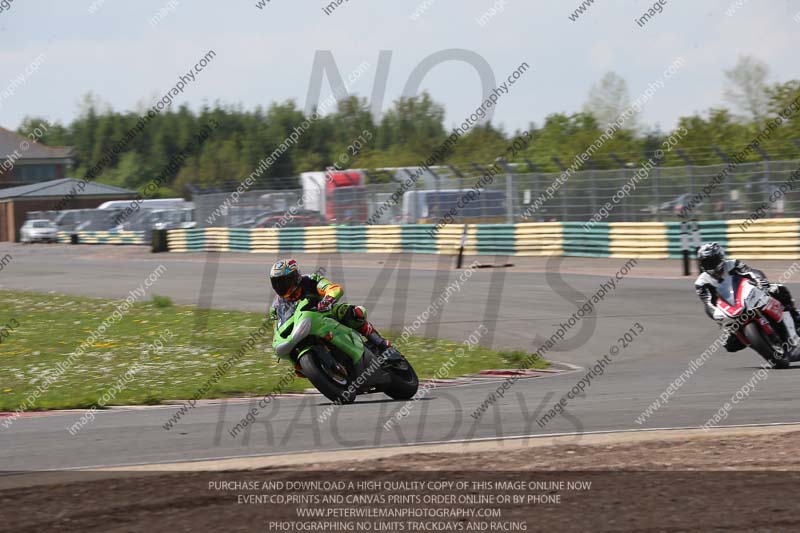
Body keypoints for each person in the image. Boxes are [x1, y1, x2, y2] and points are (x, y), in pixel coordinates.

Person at [268, 259, 400, 372]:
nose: (281, 287)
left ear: (295, 277)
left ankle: (383, 345)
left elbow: (334, 288)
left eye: (284, 282)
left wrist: (327, 300)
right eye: (277, 283)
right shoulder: (277, 304)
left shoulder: (310, 280)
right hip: (304, 325)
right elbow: (278, 323)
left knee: (354, 313)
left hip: (325, 312)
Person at [695, 242, 800, 353]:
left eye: (712, 261)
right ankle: (765, 345)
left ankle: (795, 315)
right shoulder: (701, 283)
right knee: (730, 345)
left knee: (778, 289)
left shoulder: (732, 264)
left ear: (720, 258)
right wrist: (717, 316)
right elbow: (707, 303)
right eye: (706, 262)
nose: (710, 264)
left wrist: (761, 281)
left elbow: (751, 272)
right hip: (728, 310)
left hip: (748, 294)